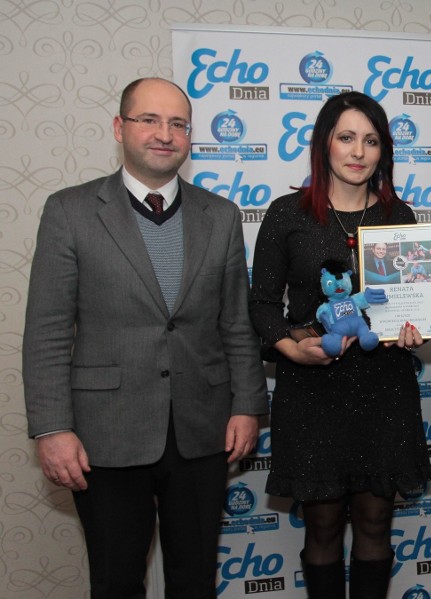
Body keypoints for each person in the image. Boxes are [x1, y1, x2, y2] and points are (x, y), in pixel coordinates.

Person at [22, 77, 269, 598]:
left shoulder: (220, 215)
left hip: (202, 431)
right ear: (120, 128)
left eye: (178, 123)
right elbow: (46, 330)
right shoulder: (69, 211)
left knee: (195, 578)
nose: (165, 134)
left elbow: (235, 323)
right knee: (115, 581)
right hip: (104, 435)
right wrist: (51, 429)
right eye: (149, 120)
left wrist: (248, 405)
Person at [248, 91, 431, 599]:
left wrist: (411, 328)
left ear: (383, 151)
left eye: (371, 140)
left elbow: (407, 304)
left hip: (385, 390)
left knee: (376, 527)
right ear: (324, 144)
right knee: (323, 529)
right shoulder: (287, 214)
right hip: (312, 392)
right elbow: (262, 305)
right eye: (347, 137)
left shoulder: (400, 216)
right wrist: (289, 347)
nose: (358, 151)